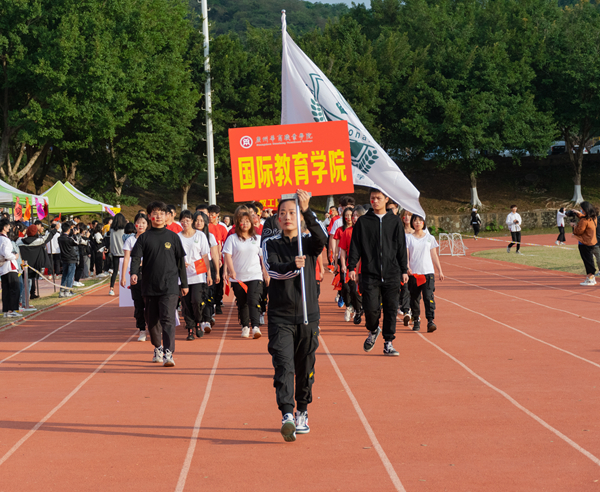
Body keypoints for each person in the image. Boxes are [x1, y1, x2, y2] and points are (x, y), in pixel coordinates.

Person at [262, 190, 327, 441]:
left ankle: (302, 410)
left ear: (298, 216)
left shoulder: (308, 242)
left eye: (292, 212)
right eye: (282, 213)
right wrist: (293, 266)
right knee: (284, 365)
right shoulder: (271, 243)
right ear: (277, 219)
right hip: (280, 316)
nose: (287, 217)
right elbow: (274, 271)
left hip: (308, 316)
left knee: (305, 366)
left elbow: (322, 238)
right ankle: (287, 414)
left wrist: (308, 209)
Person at [348, 188, 408, 357]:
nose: (375, 201)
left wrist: (404, 269)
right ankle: (374, 330)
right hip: (369, 273)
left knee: (390, 309)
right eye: (372, 198)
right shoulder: (363, 222)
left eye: (378, 198)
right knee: (371, 308)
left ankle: (388, 342)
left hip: (392, 273)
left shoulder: (395, 221)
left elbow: (401, 247)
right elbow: (355, 246)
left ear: (386, 199)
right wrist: (352, 266)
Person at [130, 201, 188, 367]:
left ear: (167, 216)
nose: (158, 216)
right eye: (155, 213)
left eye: (162, 213)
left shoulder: (173, 237)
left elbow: (180, 262)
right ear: (149, 217)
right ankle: (158, 347)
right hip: (149, 285)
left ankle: (169, 352)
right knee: (152, 319)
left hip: (169, 285)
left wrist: (184, 283)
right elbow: (135, 257)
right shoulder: (144, 238)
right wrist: (134, 273)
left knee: (168, 318)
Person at [223, 210, 266, 339]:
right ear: (237, 223)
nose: (245, 224)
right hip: (238, 277)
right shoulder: (232, 239)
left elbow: (263, 257)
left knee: (253, 300)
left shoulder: (257, 238)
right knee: (242, 302)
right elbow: (227, 255)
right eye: (242, 221)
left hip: (255, 275)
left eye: (248, 221)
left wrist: (266, 273)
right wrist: (231, 270)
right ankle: (245, 326)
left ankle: (256, 327)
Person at [178, 210, 212, 341]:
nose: (185, 223)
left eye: (187, 220)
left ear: (192, 221)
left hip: (198, 273)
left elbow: (205, 255)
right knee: (186, 303)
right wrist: (181, 263)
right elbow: (175, 256)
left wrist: (208, 274)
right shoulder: (177, 237)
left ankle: (198, 322)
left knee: (197, 300)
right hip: (183, 275)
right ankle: (190, 329)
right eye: (182, 220)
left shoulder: (200, 235)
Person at [406, 215, 444, 332]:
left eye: (420, 221)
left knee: (428, 297)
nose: (417, 223)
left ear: (423, 223)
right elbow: (406, 255)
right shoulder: (408, 238)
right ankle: (416, 319)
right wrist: (407, 267)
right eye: (415, 221)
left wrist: (440, 270)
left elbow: (434, 255)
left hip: (427, 272)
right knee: (415, 298)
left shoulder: (429, 238)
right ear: (412, 223)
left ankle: (430, 321)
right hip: (414, 273)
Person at [121, 214, 150, 341]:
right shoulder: (130, 240)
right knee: (138, 303)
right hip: (135, 274)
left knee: (150, 303)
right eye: (138, 223)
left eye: (144, 222)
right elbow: (126, 258)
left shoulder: (150, 239)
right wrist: (123, 276)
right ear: (135, 224)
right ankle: (142, 329)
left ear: (147, 224)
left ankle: (154, 327)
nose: (141, 225)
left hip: (149, 274)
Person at [194, 211, 219, 333]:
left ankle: (207, 320)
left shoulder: (210, 237)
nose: (199, 223)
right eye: (197, 220)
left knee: (208, 293)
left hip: (208, 266)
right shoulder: (191, 235)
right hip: (195, 267)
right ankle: (200, 319)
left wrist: (217, 272)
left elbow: (214, 255)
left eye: (201, 221)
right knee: (199, 294)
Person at [340, 206, 365, 324]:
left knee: (365, 291)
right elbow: (343, 250)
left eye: (357, 215)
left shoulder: (368, 231)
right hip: (353, 267)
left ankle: (361, 309)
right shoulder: (348, 231)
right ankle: (357, 310)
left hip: (366, 267)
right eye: (353, 215)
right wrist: (344, 264)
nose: (354, 218)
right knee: (352, 290)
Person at [18, 224, 58, 300]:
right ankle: (23, 302)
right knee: (27, 285)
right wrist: (55, 229)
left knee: (23, 284)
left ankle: (23, 302)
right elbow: (47, 237)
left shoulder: (19, 242)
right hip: (32, 266)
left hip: (22, 266)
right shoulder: (39, 241)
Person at [334, 207, 355, 321]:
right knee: (345, 286)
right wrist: (336, 260)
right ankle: (348, 306)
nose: (348, 218)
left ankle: (356, 307)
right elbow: (338, 247)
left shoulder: (358, 230)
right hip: (343, 259)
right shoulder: (341, 230)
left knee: (354, 287)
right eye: (346, 215)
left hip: (356, 260)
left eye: (350, 215)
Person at [570, 201, 597, 286]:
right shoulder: (593, 217)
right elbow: (585, 218)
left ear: (584, 210)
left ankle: (590, 277)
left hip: (585, 243)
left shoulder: (584, 221)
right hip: (592, 241)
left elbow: (578, 232)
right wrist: (578, 214)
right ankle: (591, 277)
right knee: (590, 260)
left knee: (587, 260)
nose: (581, 211)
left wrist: (574, 226)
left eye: (581, 209)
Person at [207, 205, 228, 315]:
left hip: (220, 259)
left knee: (219, 282)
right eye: (209, 215)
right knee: (211, 283)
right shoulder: (207, 227)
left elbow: (225, 243)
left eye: (212, 215)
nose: (210, 217)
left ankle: (218, 302)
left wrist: (221, 258)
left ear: (217, 215)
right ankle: (211, 303)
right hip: (209, 258)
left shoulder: (222, 228)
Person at [0, 219, 21, 317]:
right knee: (14, 288)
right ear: (4, 227)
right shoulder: (5, 239)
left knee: (6, 289)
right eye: (8, 226)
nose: (9, 228)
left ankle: (7, 310)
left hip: (3, 268)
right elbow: (6, 254)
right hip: (9, 266)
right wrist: (14, 256)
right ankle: (12, 310)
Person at [57, 222, 78, 297]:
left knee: (65, 275)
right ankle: (68, 291)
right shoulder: (69, 239)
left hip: (64, 258)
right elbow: (77, 242)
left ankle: (62, 291)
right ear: (69, 230)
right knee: (70, 275)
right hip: (71, 258)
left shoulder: (59, 238)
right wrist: (74, 234)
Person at [109, 213, 127, 295]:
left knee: (115, 271)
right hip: (124, 252)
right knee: (125, 270)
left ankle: (111, 289)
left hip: (115, 252)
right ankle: (126, 288)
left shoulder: (111, 229)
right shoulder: (124, 230)